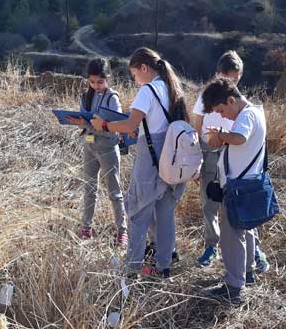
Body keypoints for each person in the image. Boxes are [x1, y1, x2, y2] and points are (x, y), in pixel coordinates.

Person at [91, 47, 188, 277]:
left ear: (144, 68)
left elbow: (129, 125)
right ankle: (163, 266)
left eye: (135, 75)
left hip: (149, 160)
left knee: (137, 214)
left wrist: (103, 126)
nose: (135, 81)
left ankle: (133, 267)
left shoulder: (147, 90)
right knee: (165, 215)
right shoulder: (171, 88)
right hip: (169, 162)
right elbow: (156, 124)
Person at [194, 51, 270, 274]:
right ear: (218, 74)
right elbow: (196, 128)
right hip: (210, 150)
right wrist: (197, 157)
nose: (233, 82)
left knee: (241, 206)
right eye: (229, 78)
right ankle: (212, 246)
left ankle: (252, 254)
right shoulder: (205, 97)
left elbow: (242, 137)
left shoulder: (241, 106)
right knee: (210, 202)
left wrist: (224, 136)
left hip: (232, 153)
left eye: (236, 79)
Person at [201, 77, 267, 304]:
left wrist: (219, 136)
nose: (222, 116)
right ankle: (246, 274)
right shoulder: (256, 112)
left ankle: (233, 287)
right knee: (246, 230)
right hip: (248, 184)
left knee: (231, 237)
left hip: (238, 187)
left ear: (231, 100)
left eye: (221, 110)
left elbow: (239, 138)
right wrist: (222, 133)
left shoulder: (246, 115)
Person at [66, 58, 128, 245]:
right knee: (89, 189)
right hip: (89, 146)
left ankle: (122, 231)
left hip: (108, 149)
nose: (96, 86)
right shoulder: (87, 96)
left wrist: (86, 124)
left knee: (114, 192)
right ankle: (86, 228)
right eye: (92, 82)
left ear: (108, 78)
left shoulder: (112, 98)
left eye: (100, 82)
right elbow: (87, 123)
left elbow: (114, 128)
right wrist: (81, 124)